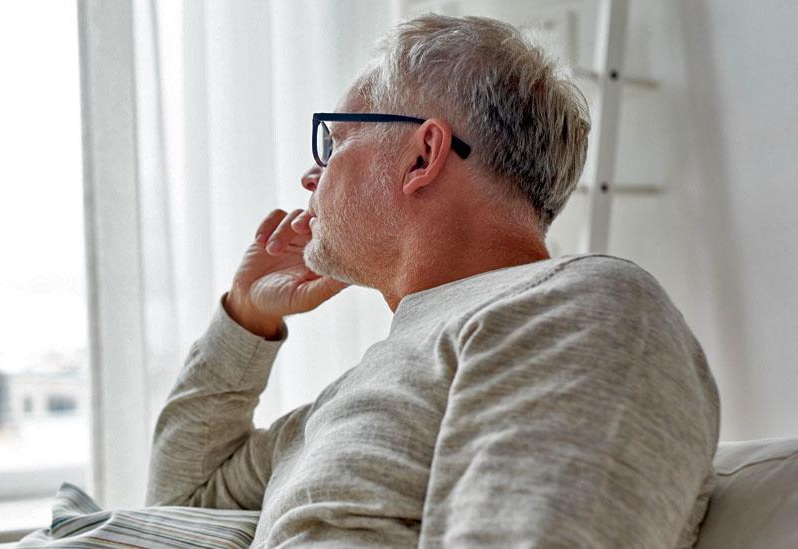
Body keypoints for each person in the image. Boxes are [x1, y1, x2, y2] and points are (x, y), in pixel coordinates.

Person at [146, 13, 719, 549]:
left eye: (334, 140)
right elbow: (179, 504)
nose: (308, 175)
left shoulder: (582, 308)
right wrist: (246, 319)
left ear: (422, 156)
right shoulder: (367, 385)